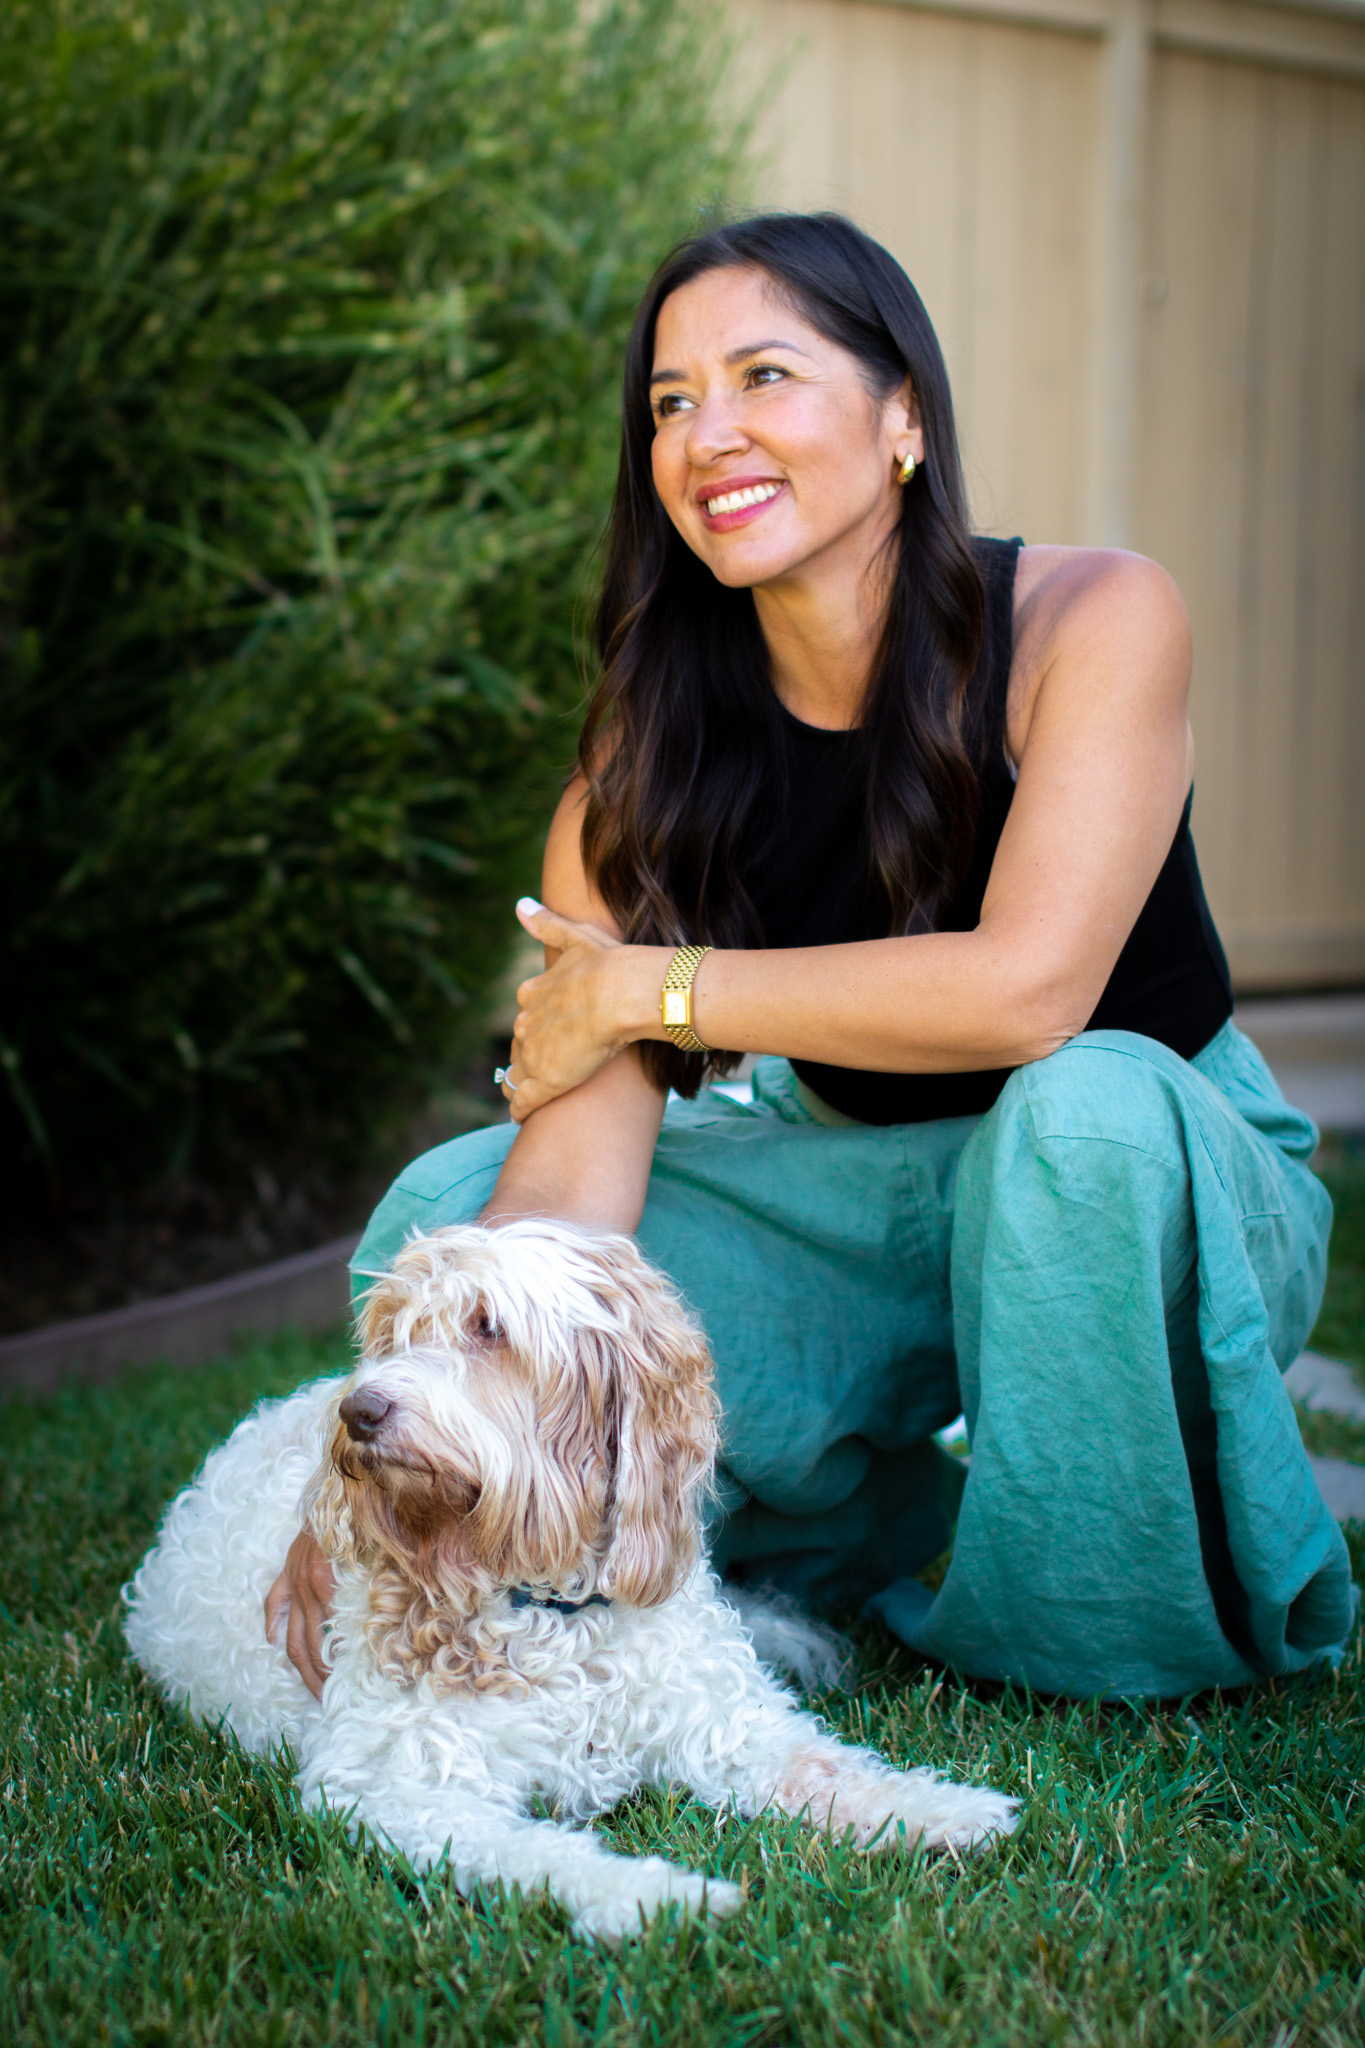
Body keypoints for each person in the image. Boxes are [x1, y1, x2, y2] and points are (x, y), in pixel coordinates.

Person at [267, 213, 1355, 1702]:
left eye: (763, 375)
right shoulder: (644, 766)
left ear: (903, 414)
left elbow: (1028, 995)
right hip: (858, 1190)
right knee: (458, 1209)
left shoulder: (1090, 619)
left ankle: (1083, 1619)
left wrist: (654, 989)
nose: (708, 432)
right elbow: (571, 1204)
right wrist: (384, 1441)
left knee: (1081, 1110)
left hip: (1148, 1175)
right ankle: (855, 1517)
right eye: (670, 402)